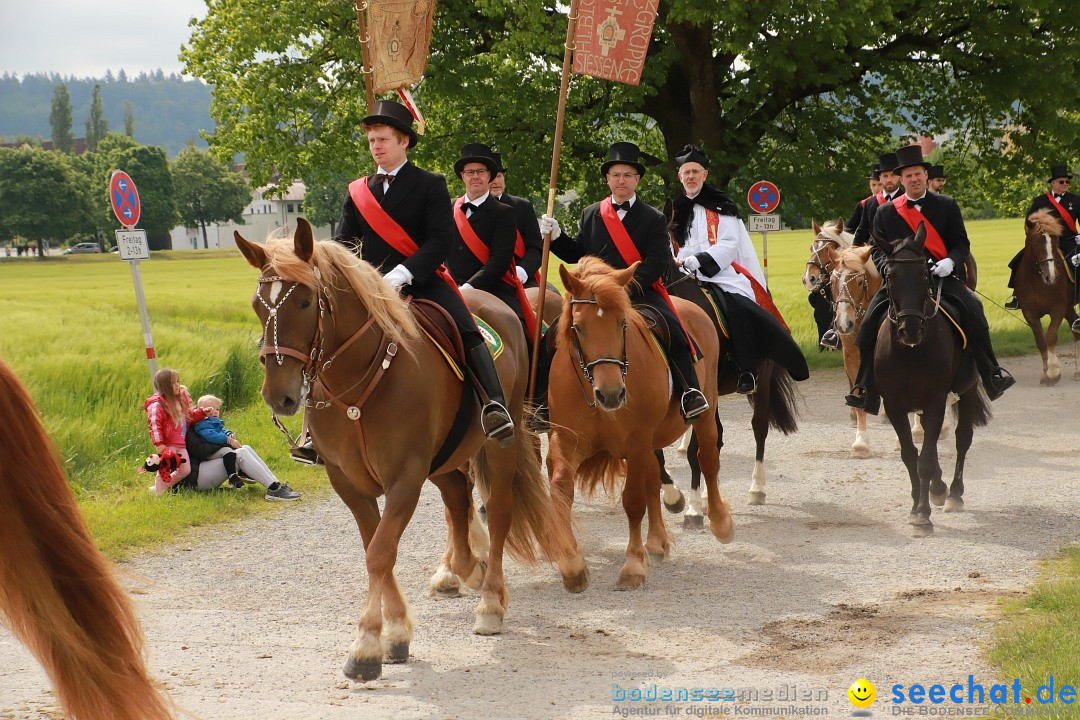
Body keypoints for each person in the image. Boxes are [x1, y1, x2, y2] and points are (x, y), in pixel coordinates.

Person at [335, 99, 514, 446]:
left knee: (466, 326)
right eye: (372, 141)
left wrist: (404, 272)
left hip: (423, 281)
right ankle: (317, 427)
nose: (377, 147)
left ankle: (494, 405)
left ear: (404, 142)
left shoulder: (430, 183)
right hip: (370, 287)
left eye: (383, 139)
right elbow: (345, 243)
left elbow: (441, 239)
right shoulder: (358, 191)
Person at [537, 141, 710, 426]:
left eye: (627, 175)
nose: (621, 180)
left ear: (637, 180)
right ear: (607, 179)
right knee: (553, 335)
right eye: (616, 175)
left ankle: (690, 392)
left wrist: (621, 289)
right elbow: (577, 252)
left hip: (638, 291)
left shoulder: (653, 218)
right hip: (593, 298)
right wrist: (555, 237)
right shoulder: (591, 213)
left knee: (675, 331)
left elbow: (657, 261)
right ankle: (543, 403)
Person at [846, 145, 1015, 414]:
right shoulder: (886, 212)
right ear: (901, 180)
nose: (913, 179)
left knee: (974, 310)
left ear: (926, 175)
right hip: (900, 282)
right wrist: (889, 268)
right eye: (908, 175)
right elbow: (876, 249)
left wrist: (950, 261)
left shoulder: (946, 205)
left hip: (941, 278)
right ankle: (864, 387)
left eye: (918, 173)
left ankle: (991, 373)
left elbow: (961, 242)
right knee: (868, 325)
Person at [669, 145, 809, 393]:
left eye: (695, 171)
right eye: (686, 172)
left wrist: (696, 261)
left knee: (738, 306)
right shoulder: (671, 210)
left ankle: (746, 369)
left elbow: (729, 244)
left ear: (705, 175)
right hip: (681, 276)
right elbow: (667, 244)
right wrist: (676, 260)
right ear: (680, 176)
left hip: (719, 273)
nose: (691, 176)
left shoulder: (722, 206)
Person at [446, 143, 537, 343]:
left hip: (493, 289)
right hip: (450, 288)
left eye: (481, 171)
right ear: (462, 176)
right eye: (470, 172)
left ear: (489, 175)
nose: (475, 176)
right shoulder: (448, 207)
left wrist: (469, 287)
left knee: (525, 336)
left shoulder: (503, 212)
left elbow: (500, 260)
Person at [190, 394, 300, 501]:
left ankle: (276, 484)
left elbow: (216, 436)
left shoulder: (198, 421)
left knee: (245, 448)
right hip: (198, 478)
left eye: (190, 401)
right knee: (241, 453)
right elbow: (202, 450)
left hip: (206, 469)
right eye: (187, 401)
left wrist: (228, 436)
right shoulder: (192, 425)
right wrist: (228, 441)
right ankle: (274, 490)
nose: (191, 405)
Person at [1004, 163, 1078, 311]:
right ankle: (1017, 296)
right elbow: (1028, 222)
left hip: (1069, 242)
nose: (1065, 184)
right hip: (1046, 242)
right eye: (1061, 182)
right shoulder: (1040, 201)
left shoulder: (1076, 200)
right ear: (1053, 183)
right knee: (1018, 261)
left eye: (1067, 182)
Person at [490, 152, 544, 288]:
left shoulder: (522, 206)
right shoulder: (465, 208)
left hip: (518, 276)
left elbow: (536, 248)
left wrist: (523, 270)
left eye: (499, 176)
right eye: (492, 177)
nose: (496, 182)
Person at [144, 368, 200, 495]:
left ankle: (161, 489)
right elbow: (154, 425)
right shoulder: (158, 404)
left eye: (178, 381)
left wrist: (202, 413)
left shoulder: (178, 401)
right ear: (164, 385)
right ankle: (159, 493)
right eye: (173, 383)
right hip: (168, 444)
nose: (177, 385)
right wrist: (159, 445)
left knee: (185, 470)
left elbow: (189, 416)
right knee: (164, 469)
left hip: (180, 443)